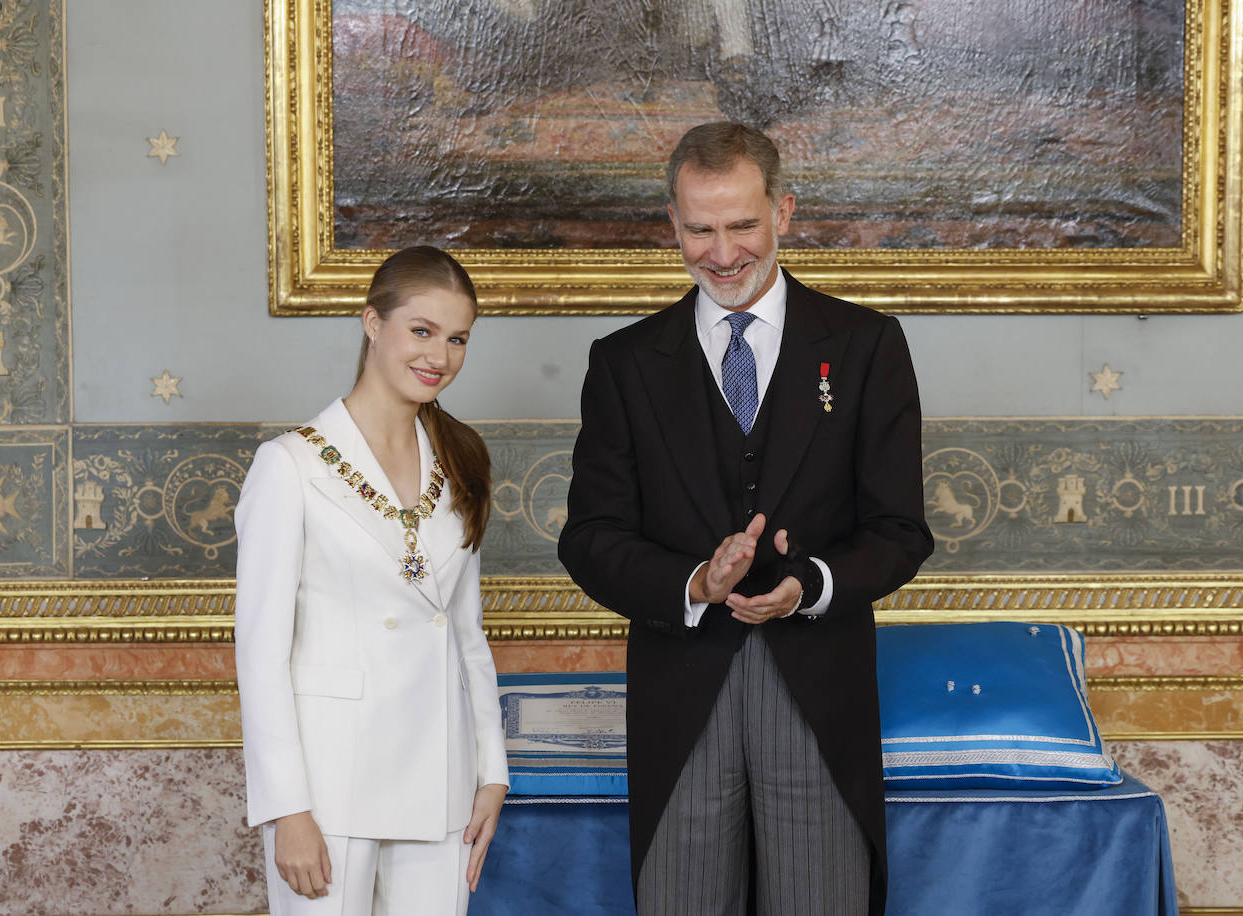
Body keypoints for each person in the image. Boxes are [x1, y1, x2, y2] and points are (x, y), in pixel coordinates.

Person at [557, 122, 934, 915]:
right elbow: (589, 539)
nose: (722, 252)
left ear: (784, 213)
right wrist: (693, 580)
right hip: (680, 692)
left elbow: (901, 529)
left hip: (819, 691)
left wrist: (813, 584)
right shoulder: (624, 364)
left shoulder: (867, 346)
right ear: (672, 224)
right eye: (699, 229)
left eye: (741, 226)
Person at [235, 246, 509, 915]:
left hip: (442, 777)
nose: (438, 356)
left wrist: (491, 775)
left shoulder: (460, 458)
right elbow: (260, 654)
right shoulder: (289, 466)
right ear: (371, 323)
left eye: (457, 338)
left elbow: (467, 635)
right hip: (330, 787)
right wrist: (287, 807)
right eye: (421, 331)